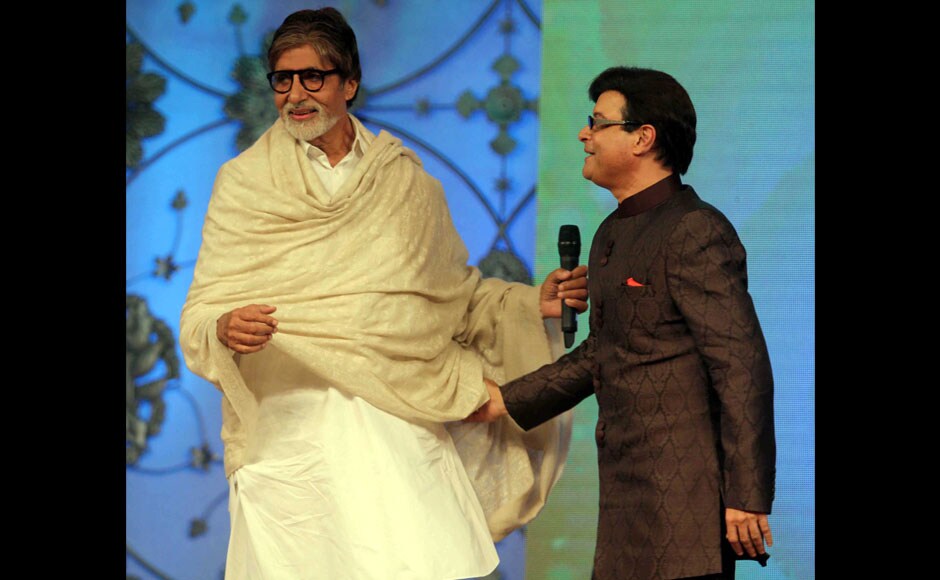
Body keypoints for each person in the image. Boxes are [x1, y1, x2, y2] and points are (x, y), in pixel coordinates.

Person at [178, 7, 587, 580]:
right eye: (282, 79)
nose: (295, 94)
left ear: (349, 83)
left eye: (312, 77)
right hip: (291, 436)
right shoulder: (244, 184)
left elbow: (453, 298)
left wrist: (526, 305)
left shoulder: (406, 183)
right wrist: (223, 328)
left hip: (396, 422)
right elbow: (201, 310)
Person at [467, 66, 776, 580]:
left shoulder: (694, 229)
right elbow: (604, 352)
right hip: (625, 497)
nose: (583, 134)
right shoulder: (611, 232)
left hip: (687, 506)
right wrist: (504, 399)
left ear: (642, 137)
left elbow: (740, 364)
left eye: (598, 122)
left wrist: (746, 495)